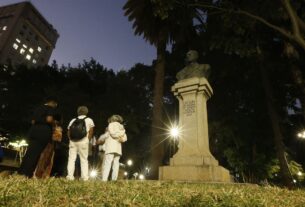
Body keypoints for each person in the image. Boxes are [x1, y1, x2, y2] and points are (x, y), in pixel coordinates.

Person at [18, 96, 58, 177]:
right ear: (52, 103)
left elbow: (33, 121)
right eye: (55, 105)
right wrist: (54, 122)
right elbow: (49, 119)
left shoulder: (38, 108)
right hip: (43, 133)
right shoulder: (50, 108)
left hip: (33, 132)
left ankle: (21, 171)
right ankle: (27, 174)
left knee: (29, 153)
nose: (55, 107)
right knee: (36, 154)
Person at [66, 106, 94, 181]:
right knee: (84, 160)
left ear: (78, 112)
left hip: (73, 142)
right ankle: (84, 178)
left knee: (71, 159)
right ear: (86, 112)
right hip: (83, 141)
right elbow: (91, 131)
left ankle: (70, 177)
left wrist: (71, 139)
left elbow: (68, 131)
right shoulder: (89, 120)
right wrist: (88, 140)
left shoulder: (73, 120)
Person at [97, 115, 127, 181]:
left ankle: (104, 180)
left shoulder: (110, 125)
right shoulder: (122, 127)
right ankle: (114, 180)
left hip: (110, 147)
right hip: (118, 148)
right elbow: (125, 138)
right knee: (116, 164)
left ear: (112, 119)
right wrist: (120, 138)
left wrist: (100, 140)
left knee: (107, 163)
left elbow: (110, 134)